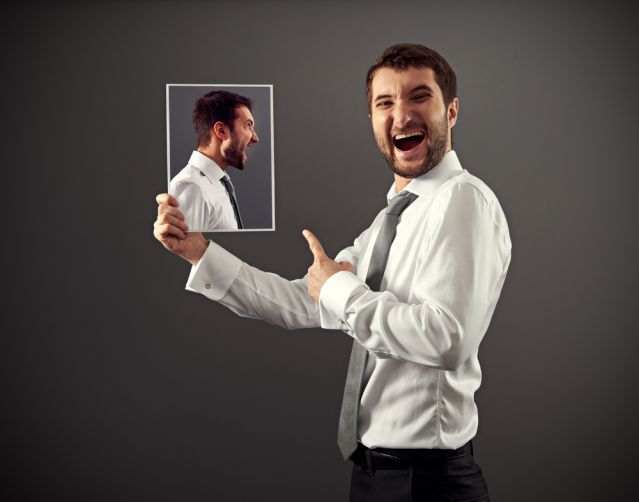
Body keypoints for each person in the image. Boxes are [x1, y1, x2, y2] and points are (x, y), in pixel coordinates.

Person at [154, 44, 511, 501]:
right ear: (373, 121)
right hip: (376, 475)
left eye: (419, 97)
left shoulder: (463, 200)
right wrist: (198, 252)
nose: (401, 116)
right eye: (385, 103)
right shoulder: (390, 220)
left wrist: (340, 290)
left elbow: (447, 338)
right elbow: (298, 301)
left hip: (428, 483)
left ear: (452, 111)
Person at [169, 90, 260, 231]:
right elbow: (185, 251)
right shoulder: (191, 186)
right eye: (248, 125)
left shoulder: (218, 183)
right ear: (221, 131)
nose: (255, 138)